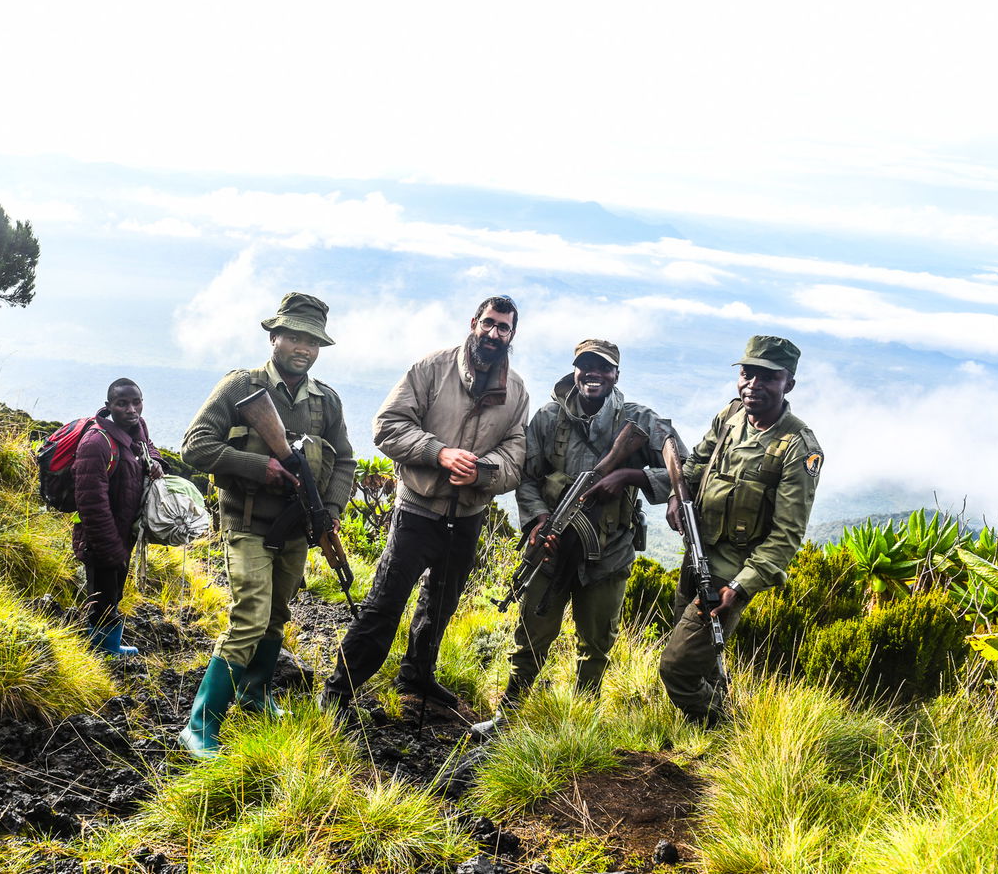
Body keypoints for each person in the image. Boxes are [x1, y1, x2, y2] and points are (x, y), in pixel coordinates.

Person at [321, 295, 529, 721]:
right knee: (385, 603)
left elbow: (516, 456)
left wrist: (481, 472)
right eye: (488, 323)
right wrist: (439, 453)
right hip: (417, 510)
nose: (493, 333)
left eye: (503, 328)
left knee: (441, 605)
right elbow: (387, 426)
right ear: (474, 322)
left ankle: (417, 676)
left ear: (512, 335)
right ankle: (339, 689)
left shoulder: (517, 392)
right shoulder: (431, 368)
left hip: (468, 517)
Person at [471, 340, 680, 739]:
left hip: (609, 553)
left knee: (596, 643)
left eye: (602, 367)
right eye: (585, 366)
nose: (593, 374)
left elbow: (682, 467)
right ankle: (507, 716)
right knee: (531, 632)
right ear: (575, 370)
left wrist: (630, 477)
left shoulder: (638, 420)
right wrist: (538, 519)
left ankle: (579, 725)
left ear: (616, 375)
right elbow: (526, 477)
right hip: (551, 548)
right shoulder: (549, 418)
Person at [178, 292, 356, 759]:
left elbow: (346, 460)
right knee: (250, 615)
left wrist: (330, 511)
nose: (303, 347)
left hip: (297, 529)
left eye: (312, 341)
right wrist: (261, 469)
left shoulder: (326, 401)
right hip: (248, 522)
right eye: (294, 336)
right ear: (274, 337)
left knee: (277, 615)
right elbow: (194, 446)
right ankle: (200, 724)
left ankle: (254, 696)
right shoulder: (241, 387)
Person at [660, 335, 823, 725]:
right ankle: (703, 740)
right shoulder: (731, 417)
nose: (753, 384)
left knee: (676, 668)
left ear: (789, 384)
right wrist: (674, 496)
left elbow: (787, 534)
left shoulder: (798, 447)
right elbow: (697, 461)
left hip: (729, 573)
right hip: (696, 555)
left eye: (767, 377)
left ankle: (726, 724)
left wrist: (742, 587)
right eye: (747, 374)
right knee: (700, 657)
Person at [73, 378, 166, 656]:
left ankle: (108, 647)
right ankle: (100, 654)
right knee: (103, 598)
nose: (131, 409)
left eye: (136, 402)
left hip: (123, 534)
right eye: (122, 403)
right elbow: (91, 504)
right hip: (100, 539)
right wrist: (111, 548)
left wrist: (158, 462)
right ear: (108, 406)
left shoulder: (137, 428)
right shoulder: (95, 443)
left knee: (114, 595)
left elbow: (149, 448)